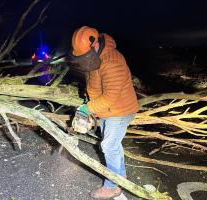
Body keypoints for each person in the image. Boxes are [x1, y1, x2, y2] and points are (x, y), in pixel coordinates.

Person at [70, 26, 139, 199]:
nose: (83, 59)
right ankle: (120, 176)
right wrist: (87, 100)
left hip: (121, 110)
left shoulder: (112, 61)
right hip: (107, 110)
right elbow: (94, 84)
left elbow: (109, 97)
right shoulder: (94, 58)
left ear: (94, 46)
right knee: (113, 145)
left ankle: (113, 186)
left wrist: (88, 108)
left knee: (108, 146)